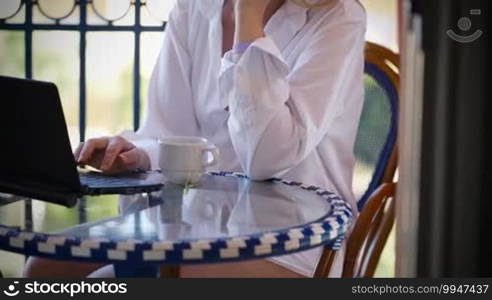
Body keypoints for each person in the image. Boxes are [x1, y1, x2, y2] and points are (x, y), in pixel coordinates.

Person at [24, 0, 366, 278]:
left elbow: (266, 158)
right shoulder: (193, 9)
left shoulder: (339, 17)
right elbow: (169, 133)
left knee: (137, 277)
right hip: (199, 223)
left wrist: (248, 19)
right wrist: (137, 154)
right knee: (42, 270)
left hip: (296, 242)